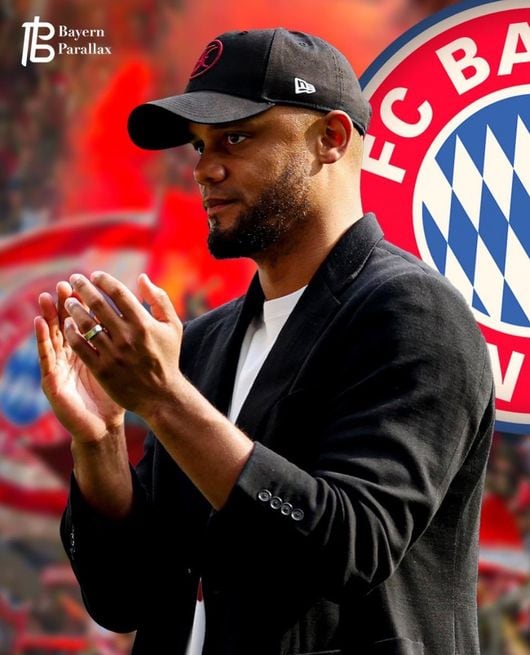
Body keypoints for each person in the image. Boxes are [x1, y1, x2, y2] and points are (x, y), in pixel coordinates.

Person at [35, 28, 495, 655]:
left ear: (331, 138)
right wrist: (102, 441)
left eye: (236, 137)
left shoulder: (413, 312)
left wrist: (166, 400)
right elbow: (124, 599)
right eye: (199, 145)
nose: (205, 169)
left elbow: (352, 549)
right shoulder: (200, 343)